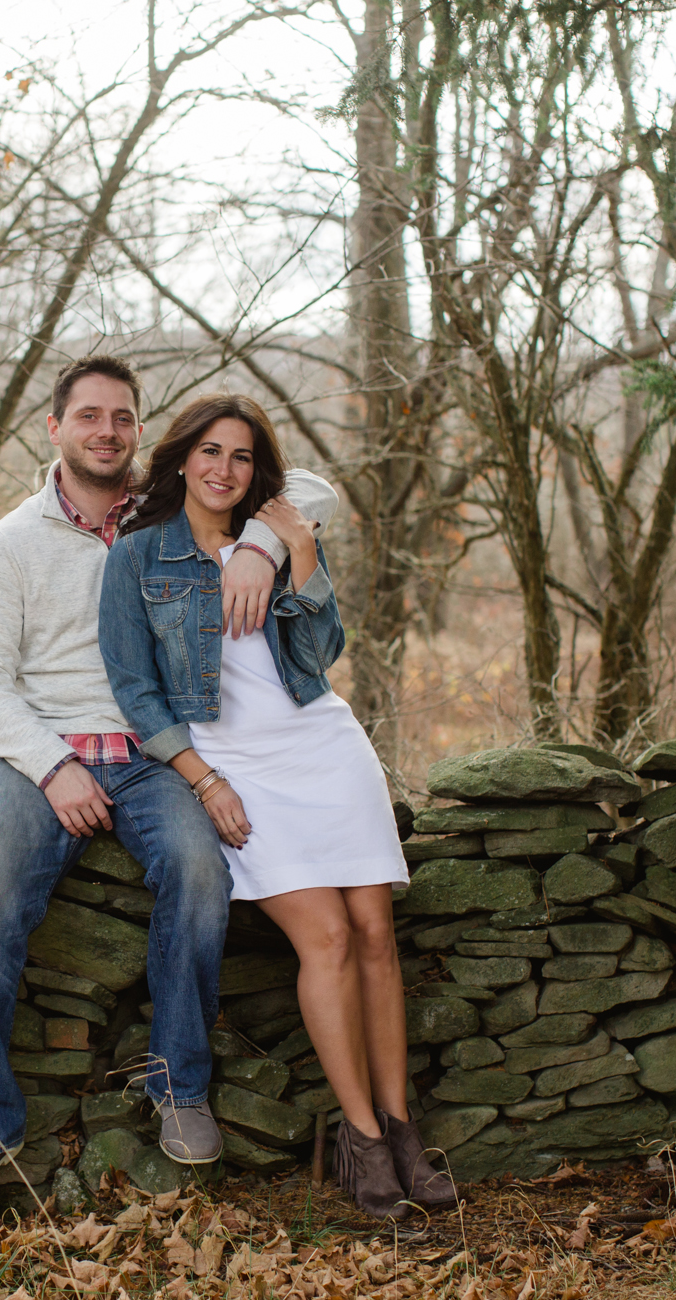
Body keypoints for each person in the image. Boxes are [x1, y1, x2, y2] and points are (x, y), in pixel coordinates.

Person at [0, 356, 339, 1213]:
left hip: (158, 752)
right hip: (41, 756)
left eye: (122, 417)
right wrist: (51, 764)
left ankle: (178, 1084)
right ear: (55, 428)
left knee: (201, 871)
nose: (106, 431)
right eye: (89, 416)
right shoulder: (11, 542)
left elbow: (305, 483)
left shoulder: (166, 509)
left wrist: (265, 543)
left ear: (141, 432)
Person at [97, 393, 457, 1221]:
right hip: (239, 766)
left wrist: (287, 549)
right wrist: (203, 778)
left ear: (260, 469)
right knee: (325, 937)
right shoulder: (141, 554)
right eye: (210, 452)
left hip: (324, 747)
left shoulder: (282, 527)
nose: (225, 469)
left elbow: (321, 651)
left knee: (376, 936)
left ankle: (404, 1130)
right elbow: (134, 688)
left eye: (243, 457)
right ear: (182, 457)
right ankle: (361, 1139)